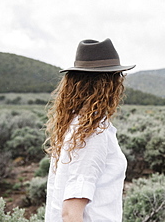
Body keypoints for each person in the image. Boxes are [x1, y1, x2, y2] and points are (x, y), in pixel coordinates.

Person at [44, 38, 135, 222]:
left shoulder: (77, 125)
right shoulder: (93, 133)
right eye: (117, 77)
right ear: (108, 85)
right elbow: (70, 213)